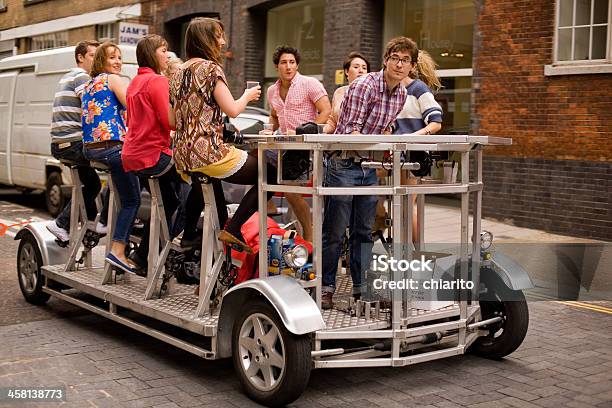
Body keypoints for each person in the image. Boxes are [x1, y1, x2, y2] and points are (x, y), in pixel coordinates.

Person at [321, 37, 414, 309]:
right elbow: (352, 132)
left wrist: (386, 139)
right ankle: (326, 288)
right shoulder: (365, 85)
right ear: (386, 59)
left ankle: (362, 289)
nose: (399, 63)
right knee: (335, 232)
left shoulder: (402, 94)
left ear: (411, 66)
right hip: (344, 163)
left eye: (405, 60)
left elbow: (384, 130)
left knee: (364, 231)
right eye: (395, 57)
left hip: (368, 167)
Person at [169, 17, 276, 251]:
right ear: (207, 39)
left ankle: (194, 240)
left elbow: (171, 121)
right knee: (272, 173)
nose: (223, 42)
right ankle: (234, 229)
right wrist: (248, 95)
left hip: (184, 155)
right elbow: (233, 110)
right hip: (208, 152)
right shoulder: (210, 69)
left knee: (215, 206)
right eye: (219, 36)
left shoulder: (176, 75)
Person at [121, 34, 181, 274]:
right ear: (150, 54)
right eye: (162, 50)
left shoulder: (135, 81)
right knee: (194, 191)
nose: (166, 55)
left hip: (132, 155)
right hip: (154, 156)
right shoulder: (157, 81)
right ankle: (179, 248)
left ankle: (142, 254)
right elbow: (170, 122)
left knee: (169, 201)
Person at [81, 42, 140, 274]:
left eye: (119, 57)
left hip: (91, 149)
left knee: (123, 185)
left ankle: (106, 221)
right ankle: (118, 250)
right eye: (111, 58)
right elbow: (133, 108)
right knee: (132, 200)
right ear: (101, 62)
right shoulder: (113, 80)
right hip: (111, 147)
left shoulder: (89, 84)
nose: (117, 61)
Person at [265, 45, 331, 242]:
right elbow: (275, 114)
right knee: (254, 160)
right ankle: (268, 203)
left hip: (305, 147)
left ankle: (309, 235)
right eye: (284, 62)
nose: (288, 66)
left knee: (292, 192)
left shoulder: (309, 83)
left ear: (297, 65)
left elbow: (326, 111)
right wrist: (270, 127)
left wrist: (305, 131)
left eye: (292, 62)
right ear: (277, 66)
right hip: (283, 146)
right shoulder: (272, 91)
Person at [46, 40, 107, 242]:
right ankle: (102, 220)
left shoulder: (68, 75)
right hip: (73, 143)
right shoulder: (82, 77)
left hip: (62, 143)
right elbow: (92, 107)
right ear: (80, 57)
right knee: (118, 162)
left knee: (92, 185)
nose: (97, 60)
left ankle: (86, 224)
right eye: (92, 56)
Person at [394, 49, 443, 242]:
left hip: (413, 157)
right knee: (394, 208)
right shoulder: (392, 89)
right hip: (392, 156)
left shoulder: (418, 89)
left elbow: (436, 122)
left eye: (404, 61)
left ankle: (415, 255)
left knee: (406, 207)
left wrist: (414, 137)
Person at [323, 52, 370, 134]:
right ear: (347, 71)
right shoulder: (339, 92)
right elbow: (333, 122)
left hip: (363, 142)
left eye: (364, 68)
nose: (361, 70)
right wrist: (318, 131)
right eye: (356, 67)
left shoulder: (372, 93)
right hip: (339, 142)